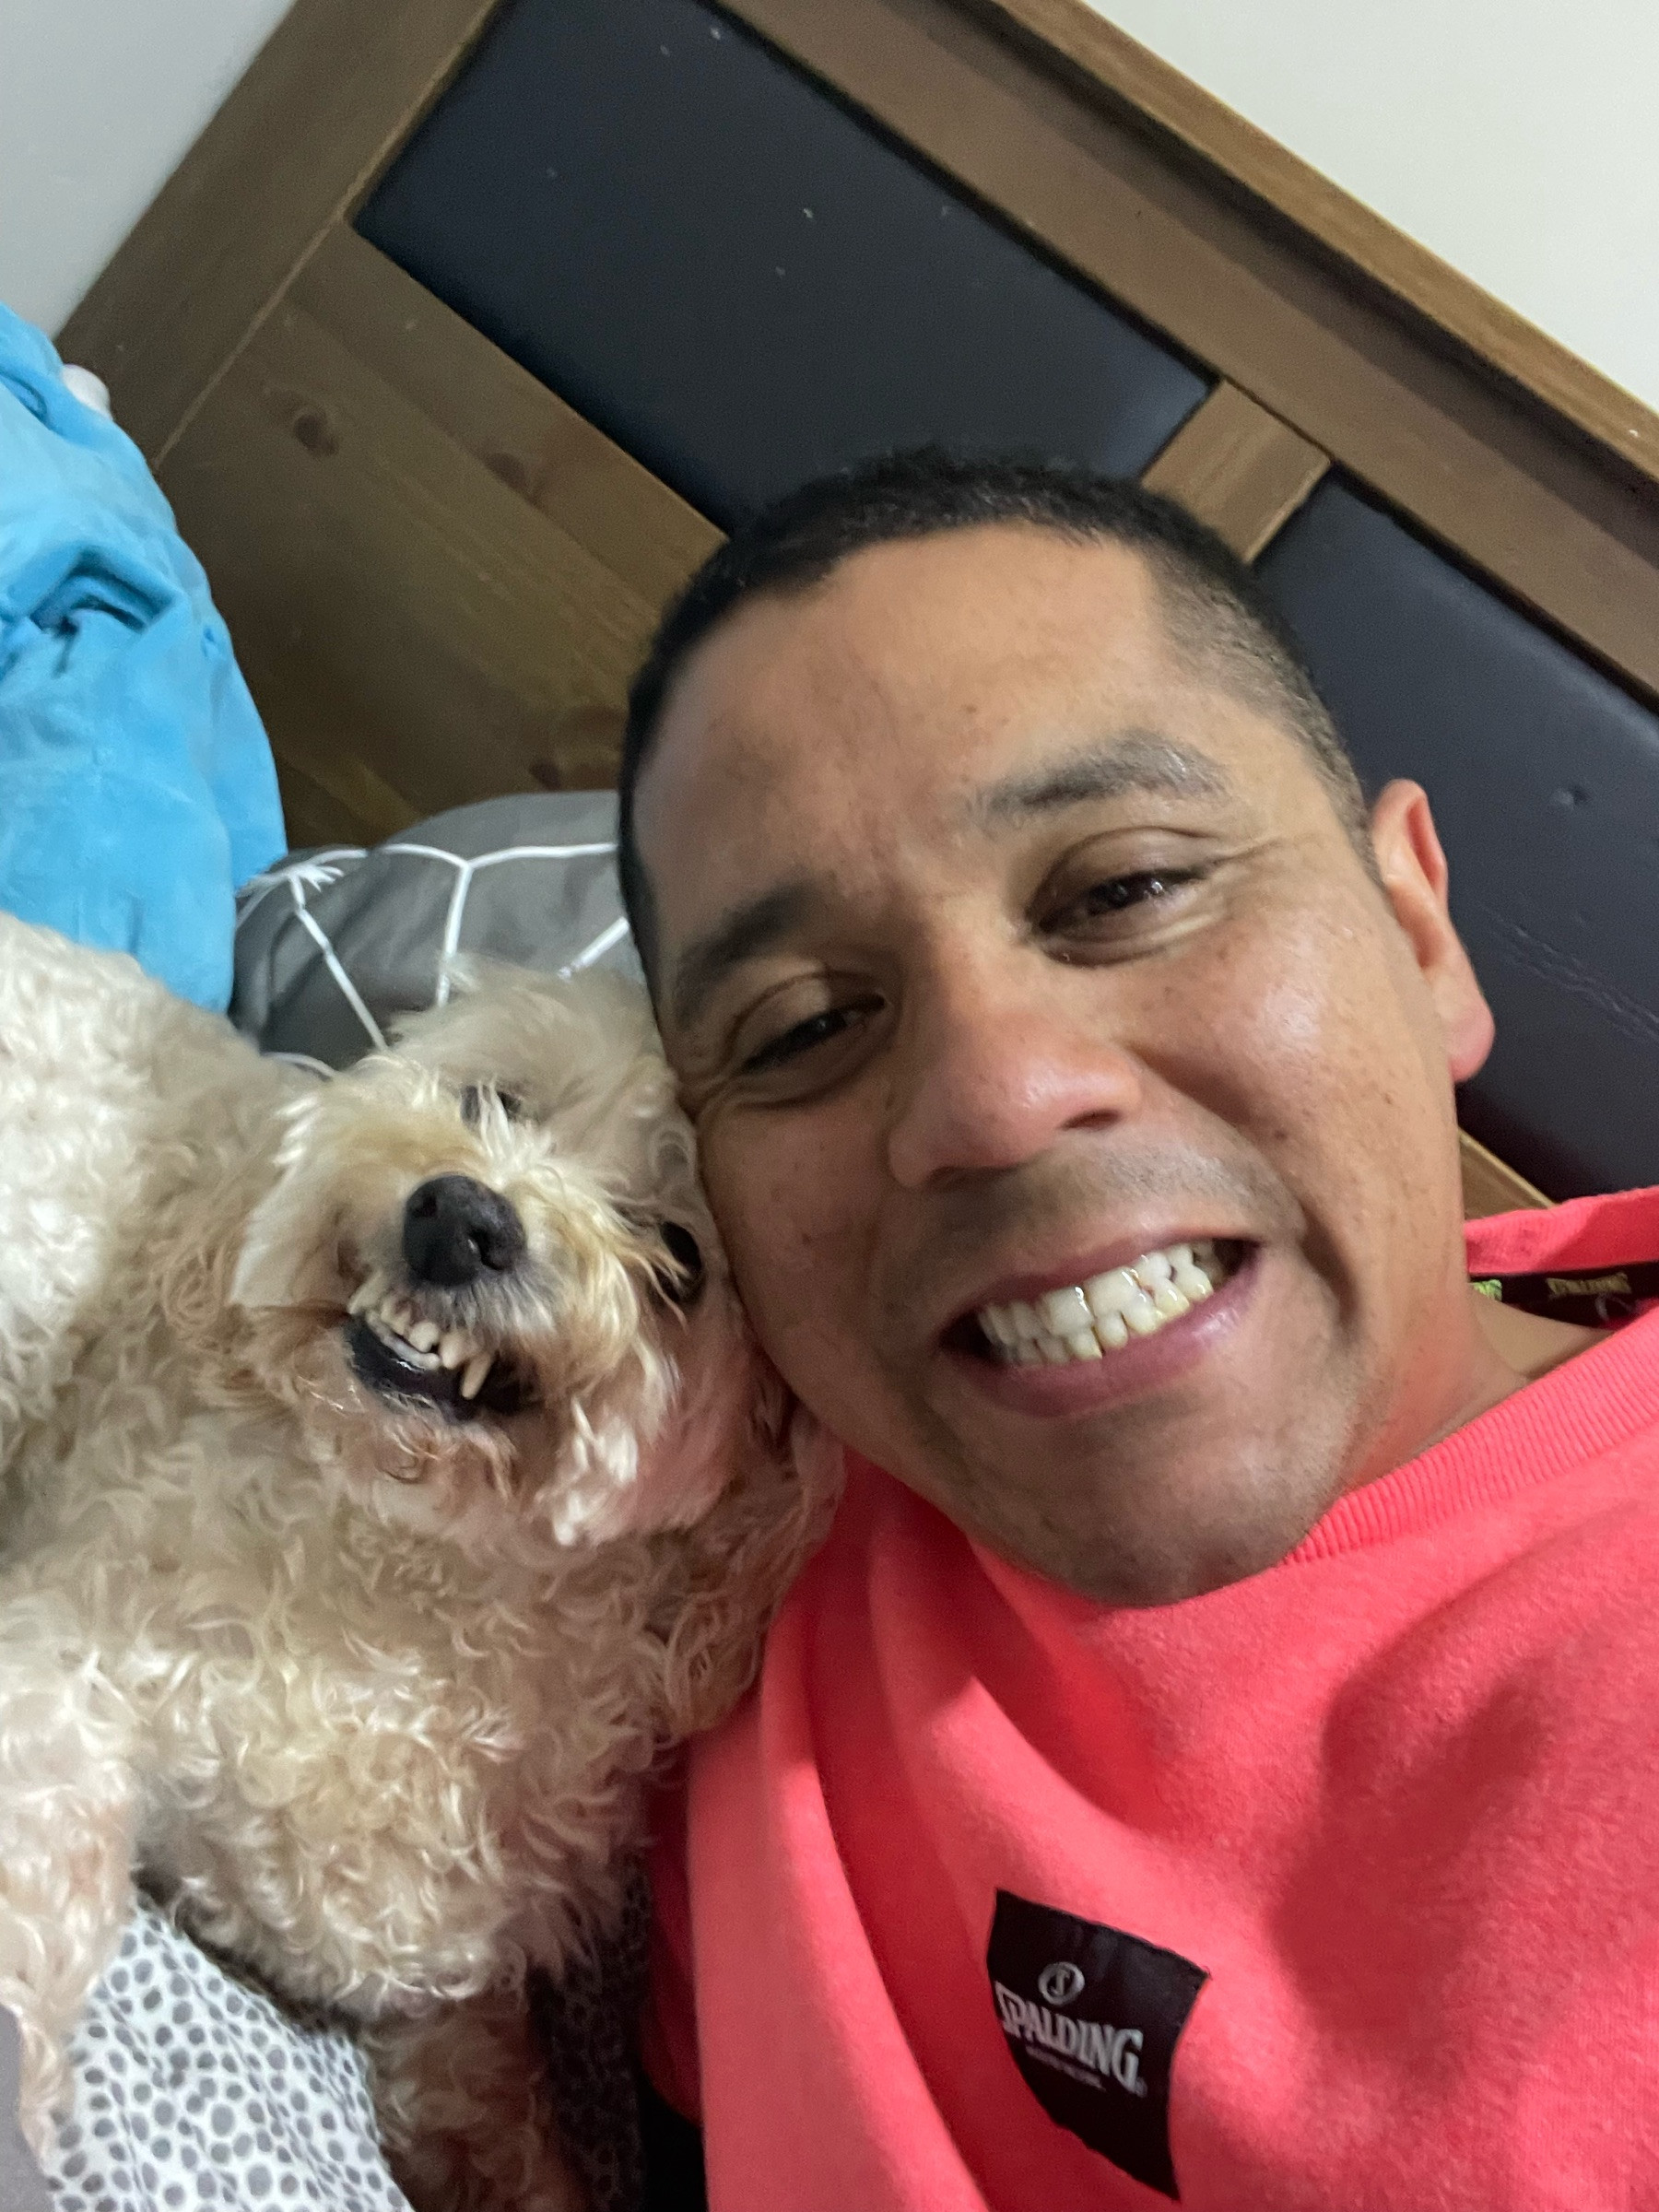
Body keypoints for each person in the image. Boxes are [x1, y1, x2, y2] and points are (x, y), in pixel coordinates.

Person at [617, 450, 1659, 2209]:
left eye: (1122, 891)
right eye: (801, 1029)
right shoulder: (707, 1522)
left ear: (1419, 933)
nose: (993, 1097)